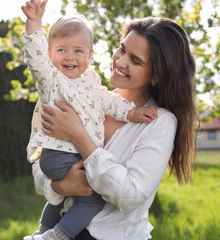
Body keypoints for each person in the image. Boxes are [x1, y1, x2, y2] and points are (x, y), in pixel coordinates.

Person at [31, 15, 198, 240]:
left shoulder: (160, 121)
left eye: (135, 60)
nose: (120, 62)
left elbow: (130, 195)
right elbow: (40, 156)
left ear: (157, 75)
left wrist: (79, 136)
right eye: (122, 49)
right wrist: (59, 186)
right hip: (57, 229)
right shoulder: (87, 98)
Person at [21, 0, 157, 240]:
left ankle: (43, 230)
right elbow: (35, 57)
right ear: (50, 53)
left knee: (68, 196)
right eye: (61, 50)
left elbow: (108, 101)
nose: (70, 57)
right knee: (93, 198)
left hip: (70, 153)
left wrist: (132, 113)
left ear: (90, 55)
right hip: (59, 152)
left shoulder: (91, 81)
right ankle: (57, 235)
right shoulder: (52, 80)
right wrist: (34, 22)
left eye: (78, 51)